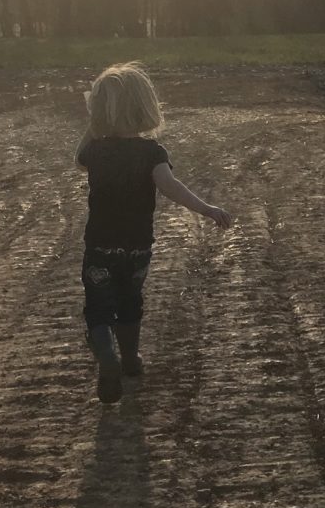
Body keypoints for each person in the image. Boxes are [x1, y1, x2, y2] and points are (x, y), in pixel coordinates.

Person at [76, 62, 233, 404]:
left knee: (98, 309)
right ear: (147, 106)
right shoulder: (152, 153)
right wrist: (206, 209)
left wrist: (94, 125)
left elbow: (79, 159)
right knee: (130, 302)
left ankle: (107, 358)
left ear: (100, 111)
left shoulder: (96, 151)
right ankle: (131, 360)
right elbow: (170, 186)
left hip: (100, 247)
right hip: (137, 249)